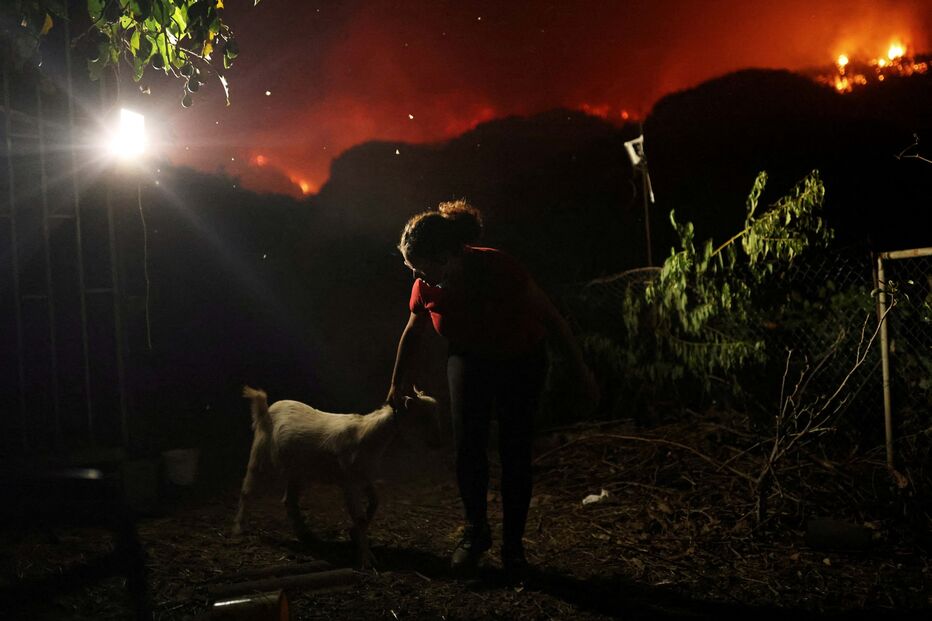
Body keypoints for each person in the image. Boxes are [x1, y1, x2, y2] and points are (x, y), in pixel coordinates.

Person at [386, 199, 599, 581]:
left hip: (521, 358)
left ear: (451, 255)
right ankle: (475, 530)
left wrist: (581, 371)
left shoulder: (498, 267)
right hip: (469, 357)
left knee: (515, 451)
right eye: (413, 270)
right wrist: (396, 382)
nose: (420, 278)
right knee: (468, 447)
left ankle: (513, 547)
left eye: (425, 269)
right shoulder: (426, 284)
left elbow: (551, 317)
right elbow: (412, 332)